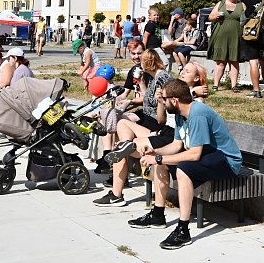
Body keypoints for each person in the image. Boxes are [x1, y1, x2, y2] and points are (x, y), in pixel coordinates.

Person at [135, 79, 242, 249]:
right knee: (161, 164)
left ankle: (183, 230)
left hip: (227, 161)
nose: (162, 102)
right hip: (208, 155)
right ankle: (157, 215)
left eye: (164, 99)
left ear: (174, 100)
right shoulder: (180, 114)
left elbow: (194, 154)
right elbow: (176, 145)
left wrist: (158, 158)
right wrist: (156, 153)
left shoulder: (197, 114)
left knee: (184, 168)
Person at [93, 49, 173, 206]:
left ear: (149, 62)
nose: (139, 63)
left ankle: (116, 193)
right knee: (121, 126)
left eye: (142, 60)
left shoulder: (163, 77)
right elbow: (148, 100)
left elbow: (163, 108)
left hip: (156, 122)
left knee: (121, 131)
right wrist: (142, 83)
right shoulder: (153, 77)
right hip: (149, 118)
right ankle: (123, 148)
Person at [207, 0, 244, 92]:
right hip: (220, 36)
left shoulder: (242, 5)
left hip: (236, 36)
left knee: (234, 61)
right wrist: (216, 16)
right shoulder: (221, 3)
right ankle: (215, 85)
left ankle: (233, 86)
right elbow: (210, 17)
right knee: (220, 62)